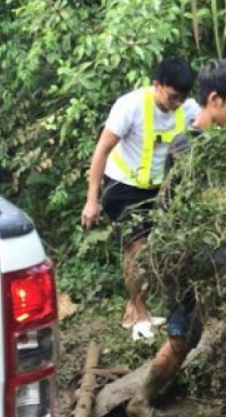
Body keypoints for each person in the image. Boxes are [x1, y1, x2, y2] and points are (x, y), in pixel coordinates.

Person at [126, 59, 226, 417]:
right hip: (186, 251)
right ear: (215, 99)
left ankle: (140, 400)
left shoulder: (210, 143)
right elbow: (211, 204)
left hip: (189, 250)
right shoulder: (187, 145)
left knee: (184, 339)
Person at [81, 57, 198, 341]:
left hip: (161, 187)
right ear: (157, 85)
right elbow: (101, 151)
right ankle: (139, 312)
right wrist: (91, 200)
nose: (177, 103)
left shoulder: (189, 108)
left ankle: (137, 307)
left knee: (165, 247)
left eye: (182, 97)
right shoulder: (130, 106)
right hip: (123, 186)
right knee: (136, 249)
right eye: (172, 96)